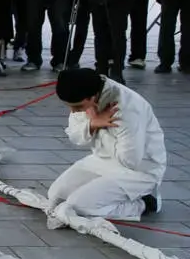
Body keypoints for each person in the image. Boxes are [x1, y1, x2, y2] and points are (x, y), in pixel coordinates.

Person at [47, 68, 166, 226]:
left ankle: (143, 204)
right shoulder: (84, 95)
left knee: (78, 207)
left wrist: (105, 128)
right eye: (70, 107)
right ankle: (104, 195)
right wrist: (93, 123)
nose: (74, 111)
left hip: (137, 171)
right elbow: (75, 137)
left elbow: (130, 161)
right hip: (101, 160)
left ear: (93, 96)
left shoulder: (127, 108)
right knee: (56, 196)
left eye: (78, 107)